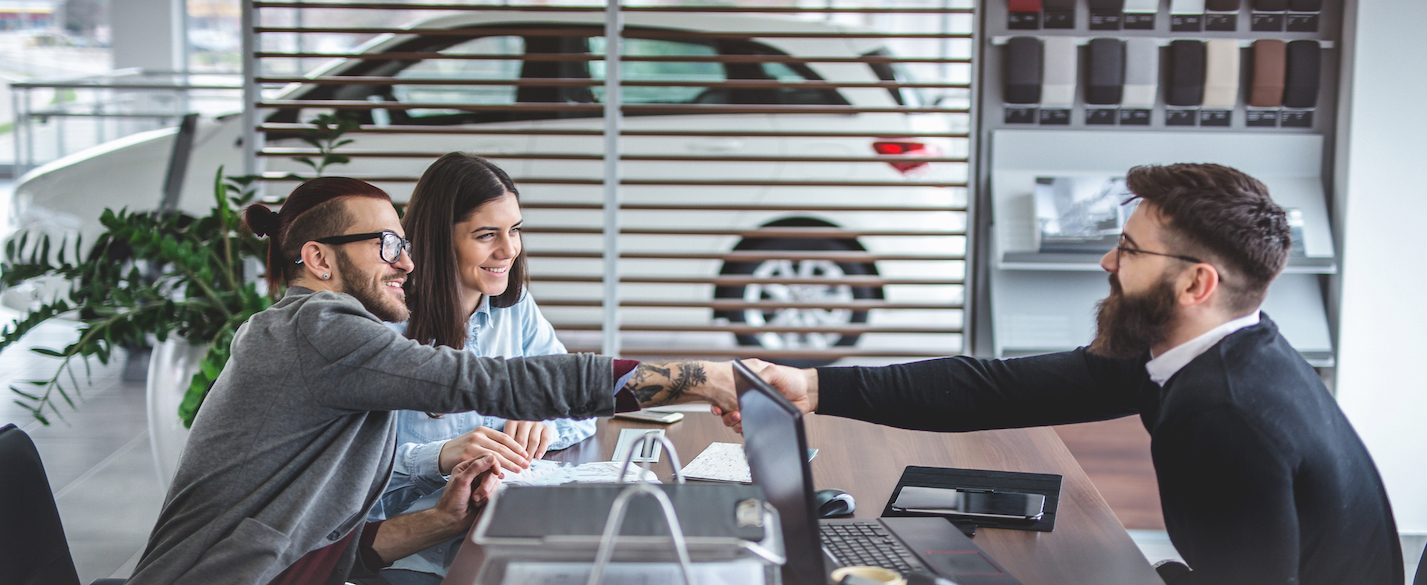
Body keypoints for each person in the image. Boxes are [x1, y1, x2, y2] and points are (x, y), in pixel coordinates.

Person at [735, 163, 1403, 585]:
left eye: (1131, 249)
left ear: (1197, 282)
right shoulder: (1208, 350)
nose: (1108, 260)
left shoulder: (1223, 412)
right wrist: (816, 385)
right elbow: (994, 387)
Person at [128, 177, 738, 585]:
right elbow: (492, 382)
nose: (409, 262)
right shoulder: (319, 330)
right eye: (388, 244)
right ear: (318, 259)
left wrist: (439, 522)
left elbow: (324, 550)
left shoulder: (322, 338)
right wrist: (699, 377)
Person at [367, 153, 593, 584]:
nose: (508, 250)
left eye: (515, 230)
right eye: (487, 234)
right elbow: (348, 467)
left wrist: (540, 416)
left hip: (502, 533)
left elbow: (577, 399)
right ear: (437, 239)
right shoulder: (384, 326)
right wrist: (440, 457)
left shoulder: (514, 308)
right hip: (416, 555)